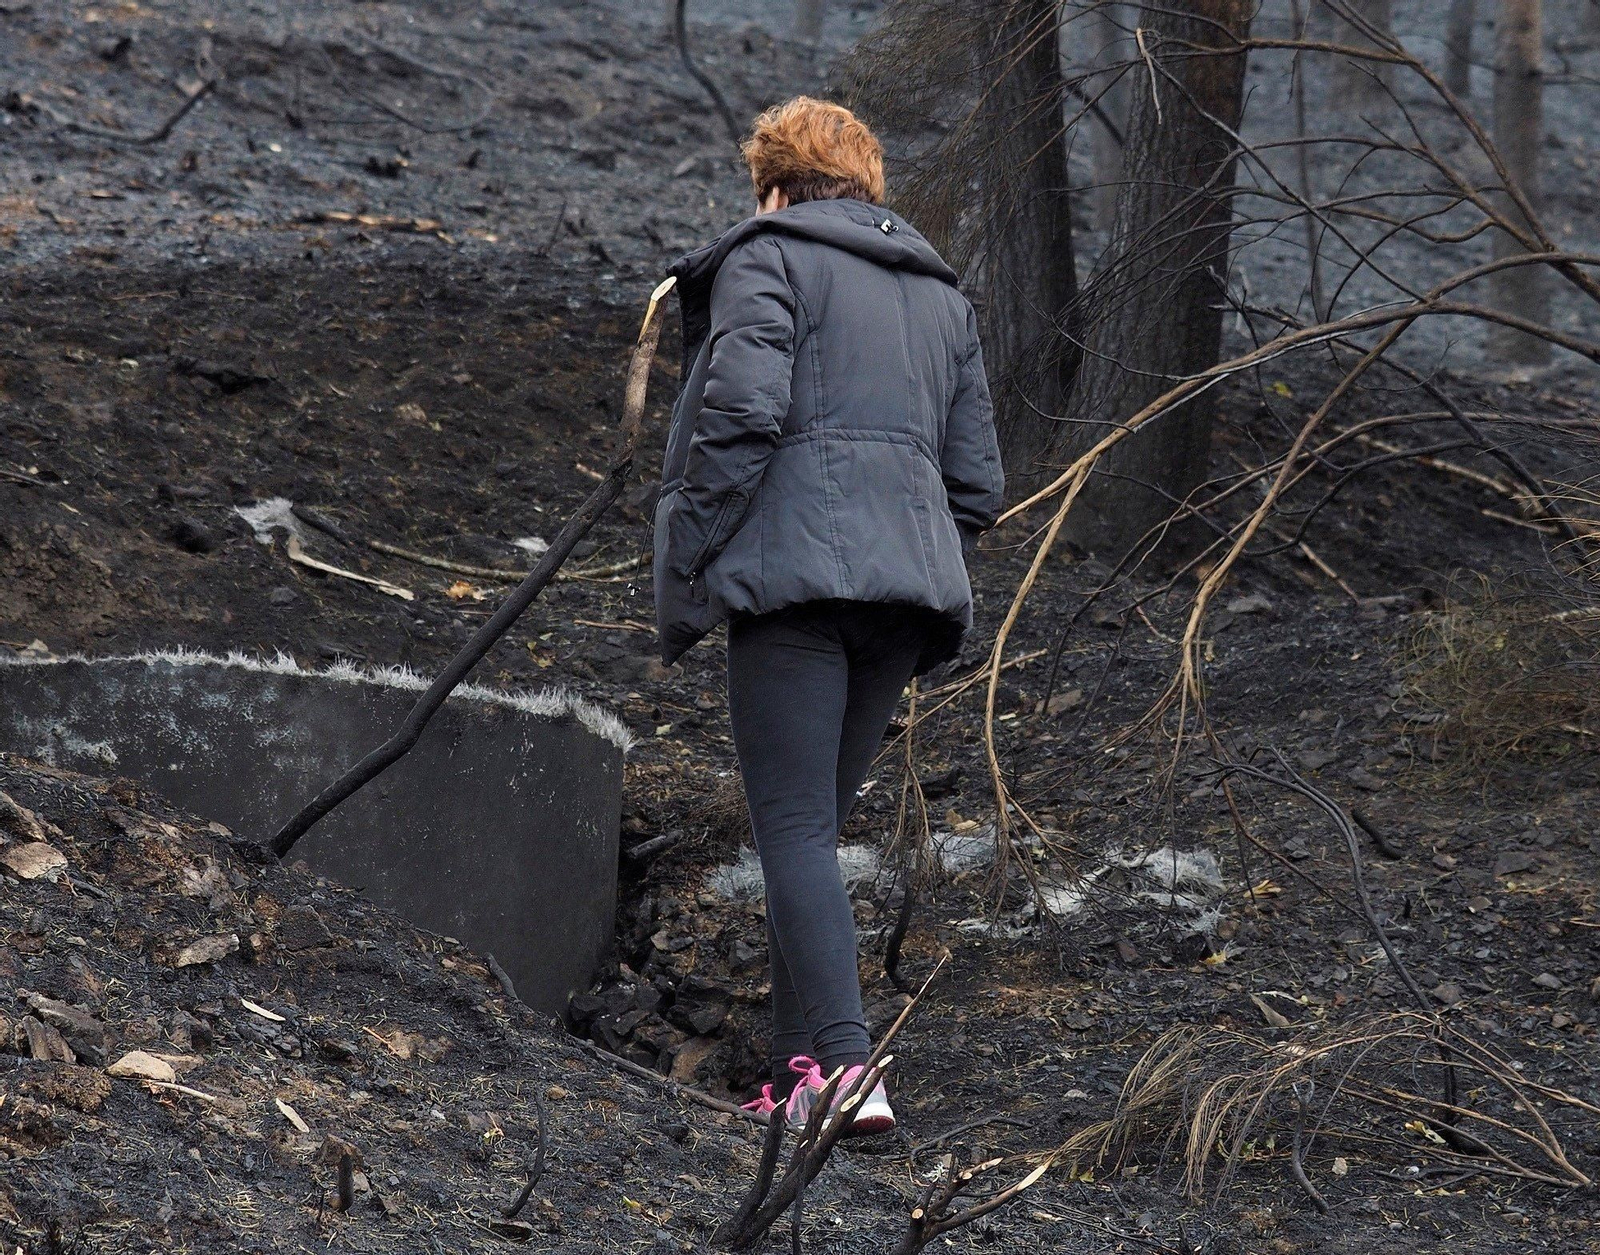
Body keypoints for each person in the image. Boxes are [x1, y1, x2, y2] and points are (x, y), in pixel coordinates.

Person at [653, 97, 1003, 1134]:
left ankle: (846, 1072)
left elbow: (742, 414)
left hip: (798, 584)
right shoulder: (943, 297)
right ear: (866, 183)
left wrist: (696, 553)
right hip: (908, 598)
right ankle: (792, 1079)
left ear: (772, 182)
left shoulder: (769, 256)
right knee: (811, 827)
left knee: (795, 827)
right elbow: (975, 482)